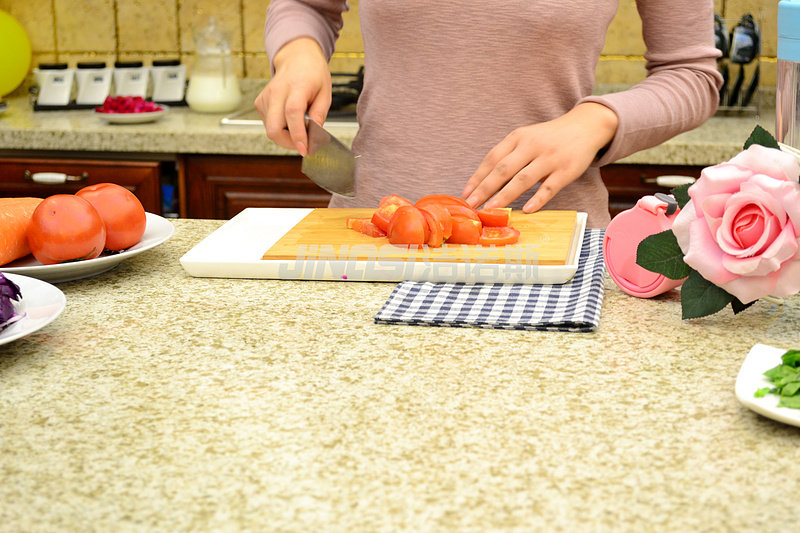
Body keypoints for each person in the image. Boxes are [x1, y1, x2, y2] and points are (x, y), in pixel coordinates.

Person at [255, 1, 722, 228]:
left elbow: (690, 73)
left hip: (544, 245)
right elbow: (306, 6)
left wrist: (596, 120)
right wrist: (298, 52)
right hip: (373, 235)